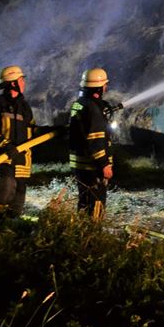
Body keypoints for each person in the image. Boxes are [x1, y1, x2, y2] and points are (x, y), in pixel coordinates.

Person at [0, 64, 55, 223]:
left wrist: (55, 131)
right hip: (3, 155)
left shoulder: (24, 107)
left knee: (19, 193)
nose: (24, 83)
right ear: (13, 83)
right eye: (21, 80)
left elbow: (33, 130)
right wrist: (4, 145)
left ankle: (12, 225)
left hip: (22, 158)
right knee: (6, 185)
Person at [68, 67, 122, 221]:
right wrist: (104, 164)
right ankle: (92, 236)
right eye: (104, 85)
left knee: (84, 201)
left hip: (80, 164)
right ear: (98, 87)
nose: (106, 87)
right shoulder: (93, 108)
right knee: (96, 202)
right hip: (92, 166)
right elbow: (95, 139)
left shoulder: (79, 104)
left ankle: (81, 230)